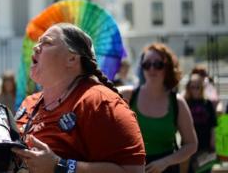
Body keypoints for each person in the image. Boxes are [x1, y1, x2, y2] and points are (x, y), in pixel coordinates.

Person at [12, 23, 146, 173]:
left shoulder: (100, 103)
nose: (36, 47)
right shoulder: (30, 103)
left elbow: (132, 171)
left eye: (47, 42)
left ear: (72, 59)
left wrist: (59, 166)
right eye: (38, 42)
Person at [120, 43, 197, 173]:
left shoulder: (177, 102)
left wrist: (165, 162)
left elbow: (191, 144)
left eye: (158, 64)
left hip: (167, 169)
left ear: (168, 68)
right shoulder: (127, 95)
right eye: (146, 64)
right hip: (132, 167)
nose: (151, 69)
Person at [184, 67, 217, 173]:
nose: (195, 90)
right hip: (189, 146)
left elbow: (213, 124)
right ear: (188, 88)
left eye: (198, 87)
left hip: (205, 145)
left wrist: (213, 142)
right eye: (192, 87)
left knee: (205, 171)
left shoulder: (207, 103)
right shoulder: (184, 103)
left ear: (202, 88)